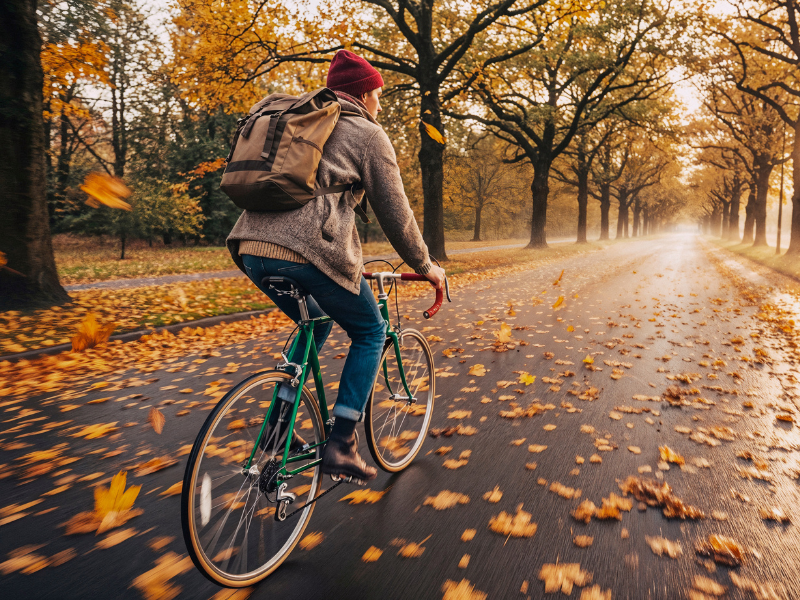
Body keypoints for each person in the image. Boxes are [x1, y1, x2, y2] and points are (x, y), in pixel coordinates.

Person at [227, 49, 446, 483]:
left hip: (251, 247)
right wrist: (426, 265)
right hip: (309, 253)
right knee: (370, 331)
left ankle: (277, 430)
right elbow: (395, 212)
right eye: (378, 96)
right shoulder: (366, 133)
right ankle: (342, 444)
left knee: (318, 323)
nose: (379, 105)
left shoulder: (299, 122)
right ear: (365, 94)